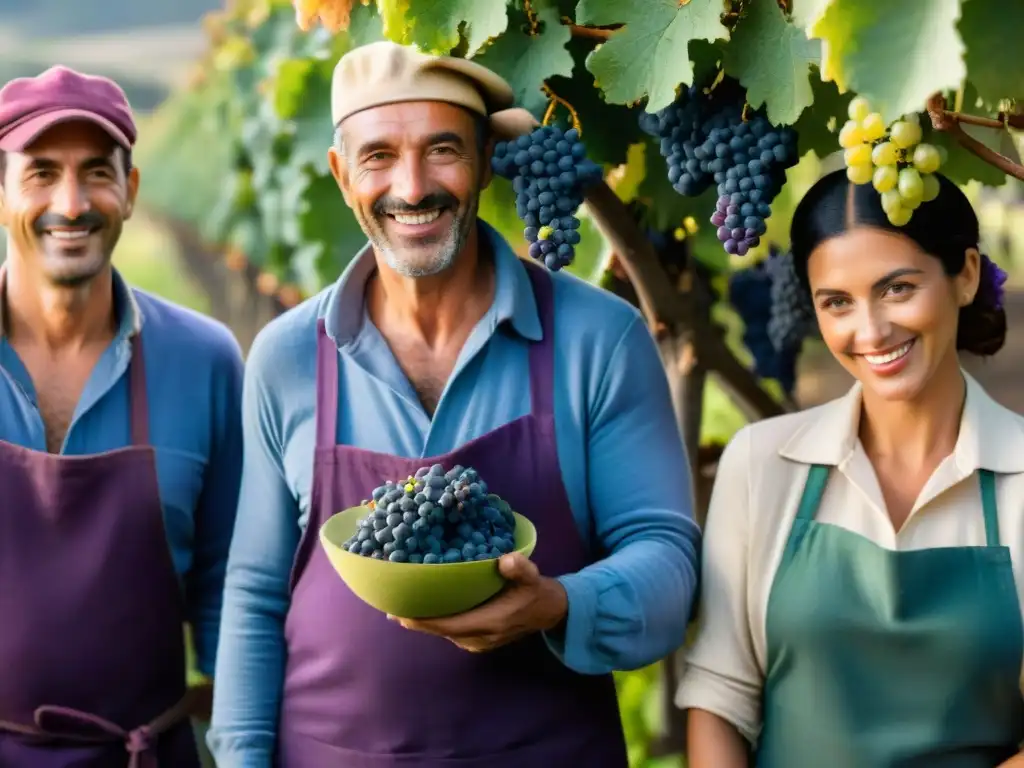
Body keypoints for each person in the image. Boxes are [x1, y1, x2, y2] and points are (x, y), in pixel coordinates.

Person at [208, 40, 700, 766]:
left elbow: (670, 567)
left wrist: (559, 605)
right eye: (378, 156)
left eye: (443, 149)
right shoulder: (286, 356)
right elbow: (254, 594)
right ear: (343, 176)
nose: (412, 186)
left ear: (484, 162)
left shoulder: (598, 339)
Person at [677, 167, 1024, 767]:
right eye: (837, 302)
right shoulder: (762, 463)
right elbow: (719, 699)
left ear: (965, 276)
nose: (871, 330)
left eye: (897, 289)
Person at [0, 66, 245, 765]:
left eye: (96, 173)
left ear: (131, 191)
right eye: (41, 172)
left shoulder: (205, 361)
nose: (71, 203)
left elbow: (231, 592)